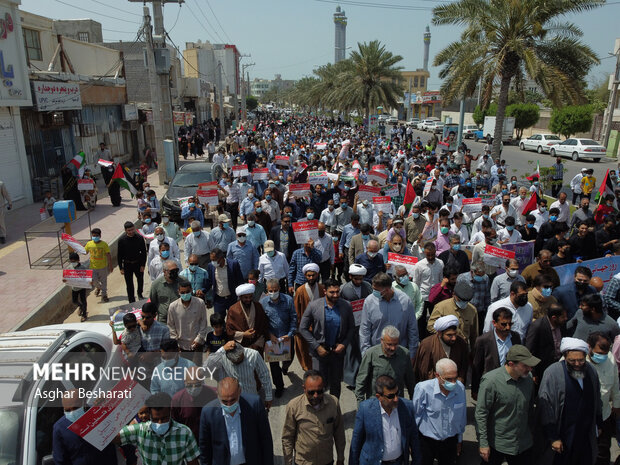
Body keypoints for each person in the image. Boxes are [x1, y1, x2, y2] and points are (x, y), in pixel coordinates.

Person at [538, 337, 602, 465]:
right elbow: (546, 407)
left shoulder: (591, 371)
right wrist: (553, 437)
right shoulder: (553, 372)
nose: (577, 364)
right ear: (565, 357)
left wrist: (598, 423)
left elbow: (597, 399)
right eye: (573, 360)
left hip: (584, 433)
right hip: (563, 433)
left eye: (581, 360)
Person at [475, 345, 540, 464]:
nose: (529, 369)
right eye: (525, 365)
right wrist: (483, 443)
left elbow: (529, 409)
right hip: (497, 443)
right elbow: (481, 414)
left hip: (523, 443)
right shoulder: (491, 381)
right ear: (511, 364)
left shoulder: (528, 379)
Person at [300, 279, 355, 399]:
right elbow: (302, 328)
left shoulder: (346, 306)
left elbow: (351, 328)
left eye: (337, 292)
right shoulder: (314, 306)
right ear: (325, 291)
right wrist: (317, 346)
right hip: (319, 353)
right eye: (332, 292)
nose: (335, 295)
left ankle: (333, 409)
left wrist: (344, 344)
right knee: (319, 384)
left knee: (335, 384)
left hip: (337, 353)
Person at [198, 377, 273, 465]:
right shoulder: (208, 413)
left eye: (233, 400)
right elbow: (205, 447)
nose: (229, 405)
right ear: (217, 394)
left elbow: (265, 439)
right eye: (225, 401)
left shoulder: (254, 405)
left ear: (239, 392)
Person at [349, 374, 421, 465]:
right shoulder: (365, 409)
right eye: (391, 396)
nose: (396, 399)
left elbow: (414, 439)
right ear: (379, 397)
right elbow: (356, 441)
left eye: (397, 393)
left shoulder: (407, 407)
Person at [281, 370, 346, 465]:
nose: (315, 396)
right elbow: (287, 437)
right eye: (311, 392)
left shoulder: (333, 403)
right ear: (304, 388)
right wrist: (288, 462)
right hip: (304, 462)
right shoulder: (294, 406)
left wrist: (340, 458)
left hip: (326, 461)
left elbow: (339, 433)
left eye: (319, 392)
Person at [413, 359, 467, 465]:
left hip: (450, 441)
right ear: (437, 375)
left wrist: (459, 440)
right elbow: (416, 415)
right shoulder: (423, 389)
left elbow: (462, 416)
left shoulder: (460, 388)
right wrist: (414, 442)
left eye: (455, 378)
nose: (453, 383)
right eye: (448, 379)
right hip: (427, 441)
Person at [359, 272, 419, 360]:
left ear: (387, 289)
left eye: (376, 290)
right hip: (377, 355)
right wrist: (366, 354)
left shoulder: (405, 301)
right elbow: (364, 330)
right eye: (373, 289)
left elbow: (412, 329)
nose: (374, 292)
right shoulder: (369, 301)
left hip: (399, 354)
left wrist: (412, 354)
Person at [53, 389, 118, 465]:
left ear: (83, 403)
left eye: (75, 408)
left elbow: (119, 433)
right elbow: (60, 460)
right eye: (67, 410)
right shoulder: (60, 428)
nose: (72, 413)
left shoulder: (98, 414)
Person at [355, 325, 415, 403]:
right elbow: (361, 382)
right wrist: (361, 406)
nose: (393, 348)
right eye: (389, 344)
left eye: (395, 344)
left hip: (396, 402)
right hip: (375, 402)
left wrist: (413, 403)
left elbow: (410, 382)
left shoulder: (404, 354)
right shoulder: (371, 354)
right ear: (382, 341)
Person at [471, 308, 522, 399]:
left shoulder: (515, 337)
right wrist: (475, 389)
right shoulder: (483, 340)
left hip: (512, 383)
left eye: (510, 324)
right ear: (494, 323)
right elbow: (477, 366)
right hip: (491, 385)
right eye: (504, 324)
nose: (508, 327)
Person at [586, 332, 620, 465]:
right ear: (589, 347)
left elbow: (616, 385)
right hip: (583, 416)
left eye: (605, 353)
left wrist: (617, 405)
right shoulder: (577, 360)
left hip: (604, 414)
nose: (602, 356)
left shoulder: (610, 360)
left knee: (603, 450)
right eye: (599, 353)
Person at [205, 342, 273, 408]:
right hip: (230, 401)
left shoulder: (253, 354)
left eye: (240, 359)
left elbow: (264, 374)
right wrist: (222, 349)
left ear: (243, 351)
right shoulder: (222, 355)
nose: (238, 363)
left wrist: (268, 396)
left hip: (250, 398)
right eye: (234, 362)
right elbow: (206, 366)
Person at [260, 278, 297, 397]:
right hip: (272, 339)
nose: (273, 292)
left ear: (279, 289)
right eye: (271, 291)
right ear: (267, 290)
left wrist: (290, 334)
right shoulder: (263, 303)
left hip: (287, 337)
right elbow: (262, 323)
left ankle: (285, 367)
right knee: (274, 366)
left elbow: (294, 318)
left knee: (289, 358)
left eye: (275, 290)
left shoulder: (288, 300)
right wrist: (269, 335)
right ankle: (279, 386)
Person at [414, 315, 469, 384]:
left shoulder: (461, 343)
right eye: (449, 335)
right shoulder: (427, 344)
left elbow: (463, 367)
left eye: (455, 334)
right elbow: (423, 371)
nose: (454, 338)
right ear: (439, 333)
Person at [170, 366, 218, 440]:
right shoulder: (177, 399)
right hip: (188, 441)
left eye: (197, 384)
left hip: (210, 439)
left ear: (202, 382)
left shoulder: (214, 395)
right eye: (189, 385)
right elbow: (174, 424)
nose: (193, 388)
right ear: (184, 382)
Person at [293, 262, 325, 371]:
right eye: (308, 275)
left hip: (320, 325)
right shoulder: (300, 290)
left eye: (313, 275)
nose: (311, 278)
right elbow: (296, 310)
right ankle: (308, 370)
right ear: (305, 276)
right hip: (305, 326)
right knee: (304, 350)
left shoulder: (322, 288)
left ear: (317, 275)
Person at [166, 281, 207, 365]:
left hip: (197, 345)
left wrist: (199, 339)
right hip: (181, 346)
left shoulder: (200, 303)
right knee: (183, 371)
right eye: (183, 292)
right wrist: (176, 344)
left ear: (191, 290)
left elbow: (203, 323)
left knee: (195, 371)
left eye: (187, 292)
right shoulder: (173, 306)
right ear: (178, 292)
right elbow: (171, 326)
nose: (185, 294)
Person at [427, 281, 478, 349]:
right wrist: (446, 334)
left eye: (466, 301)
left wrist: (473, 352)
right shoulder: (441, 307)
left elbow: (474, 334)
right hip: (444, 346)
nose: (463, 303)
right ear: (454, 294)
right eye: (460, 300)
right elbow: (430, 326)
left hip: (463, 348)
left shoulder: (472, 310)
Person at [226, 283, 270, 354]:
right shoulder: (233, 309)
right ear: (240, 297)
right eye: (246, 297)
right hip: (240, 347)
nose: (248, 299)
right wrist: (243, 334)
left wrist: (258, 344)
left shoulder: (258, 307)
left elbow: (263, 327)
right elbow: (229, 330)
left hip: (257, 346)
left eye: (250, 297)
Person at [205, 248, 244, 316]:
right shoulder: (211, 266)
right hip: (218, 300)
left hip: (232, 299)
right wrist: (203, 291)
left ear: (221, 258)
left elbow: (240, 281)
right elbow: (209, 281)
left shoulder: (233, 264)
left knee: (234, 320)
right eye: (211, 260)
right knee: (219, 322)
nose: (212, 262)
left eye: (214, 260)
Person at [117, 221, 147, 302]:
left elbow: (144, 252)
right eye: (129, 230)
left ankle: (140, 294)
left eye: (132, 229)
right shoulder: (121, 240)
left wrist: (143, 265)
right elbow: (119, 255)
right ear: (125, 230)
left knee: (140, 280)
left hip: (138, 263)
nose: (131, 232)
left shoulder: (139, 238)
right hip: (127, 265)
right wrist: (121, 267)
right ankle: (131, 299)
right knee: (129, 283)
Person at [85, 228, 113, 303]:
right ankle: (98, 288)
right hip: (92, 267)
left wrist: (110, 265)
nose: (95, 237)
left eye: (96, 235)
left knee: (104, 281)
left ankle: (104, 295)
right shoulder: (89, 244)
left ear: (100, 236)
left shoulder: (104, 244)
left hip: (103, 267)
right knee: (94, 281)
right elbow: (85, 252)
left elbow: (108, 255)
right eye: (93, 236)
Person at [64, 252, 89, 321]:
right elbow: (66, 277)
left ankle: (84, 314)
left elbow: (87, 276)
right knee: (74, 301)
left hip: (82, 288)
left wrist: (89, 281)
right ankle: (80, 306)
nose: (73, 263)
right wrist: (65, 280)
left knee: (83, 300)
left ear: (78, 260)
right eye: (71, 261)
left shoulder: (82, 268)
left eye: (74, 261)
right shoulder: (69, 268)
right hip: (74, 288)